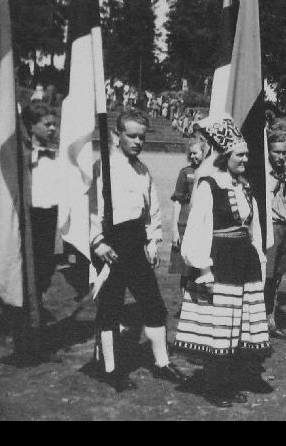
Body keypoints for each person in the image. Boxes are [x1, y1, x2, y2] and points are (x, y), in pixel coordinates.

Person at [173, 117, 271, 407]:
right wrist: (203, 270)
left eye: (247, 155)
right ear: (226, 156)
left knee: (237, 326)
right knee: (220, 325)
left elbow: (254, 230)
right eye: (240, 154)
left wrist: (260, 261)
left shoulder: (245, 186)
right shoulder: (209, 185)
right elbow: (198, 229)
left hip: (244, 264)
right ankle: (213, 386)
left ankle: (227, 381)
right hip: (221, 262)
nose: (245, 159)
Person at [89, 110, 187, 393]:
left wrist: (153, 240)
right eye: (131, 135)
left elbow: (152, 210)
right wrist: (98, 241)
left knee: (153, 304)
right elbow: (91, 208)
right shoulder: (103, 168)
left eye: (141, 137)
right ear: (116, 135)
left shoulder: (143, 169)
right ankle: (109, 369)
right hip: (110, 243)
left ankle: (162, 362)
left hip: (135, 241)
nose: (137, 141)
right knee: (110, 307)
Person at [22, 104, 61, 323]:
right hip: (29, 219)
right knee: (30, 270)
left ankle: (36, 305)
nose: (52, 128)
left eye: (54, 124)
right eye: (47, 124)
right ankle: (29, 316)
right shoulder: (22, 155)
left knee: (46, 269)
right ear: (31, 125)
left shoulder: (57, 155)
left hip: (50, 218)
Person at [264, 131, 286, 340]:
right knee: (264, 277)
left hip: (285, 230)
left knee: (277, 278)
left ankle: (270, 319)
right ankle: (257, 321)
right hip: (270, 228)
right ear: (269, 151)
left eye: (285, 153)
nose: (281, 157)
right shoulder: (263, 176)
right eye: (276, 152)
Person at [170, 138, 208, 297]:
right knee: (185, 270)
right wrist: (174, 230)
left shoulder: (210, 172)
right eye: (190, 154)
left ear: (205, 153)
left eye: (196, 153)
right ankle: (185, 305)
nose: (193, 156)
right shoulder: (185, 173)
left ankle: (198, 306)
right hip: (185, 223)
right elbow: (177, 201)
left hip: (203, 225)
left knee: (201, 267)